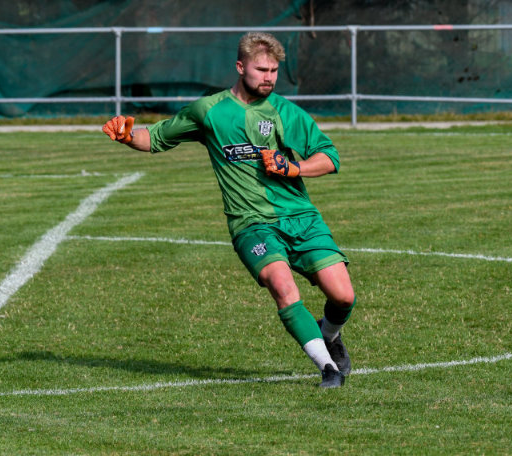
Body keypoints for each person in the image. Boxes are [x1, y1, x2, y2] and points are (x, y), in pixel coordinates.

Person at [102, 32, 355, 388]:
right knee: (282, 285)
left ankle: (328, 335)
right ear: (240, 67)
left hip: (301, 218)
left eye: (274, 71)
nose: (268, 77)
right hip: (250, 223)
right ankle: (328, 369)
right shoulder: (209, 111)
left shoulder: (285, 112)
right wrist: (127, 135)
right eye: (261, 70)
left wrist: (293, 168)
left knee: (343, 296)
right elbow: (156, 137)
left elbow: (330, 157)